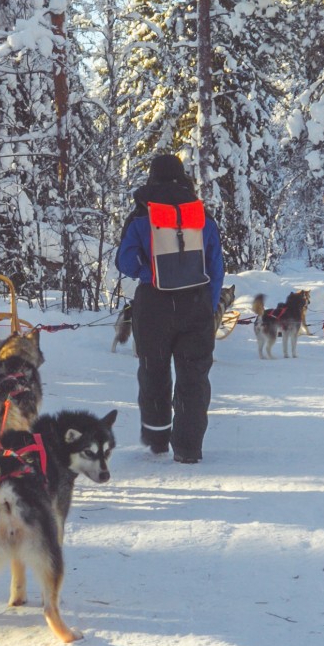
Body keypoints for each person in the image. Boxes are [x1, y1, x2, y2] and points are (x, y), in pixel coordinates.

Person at [115, 153, 224, 464]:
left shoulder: (140, 215)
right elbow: (215, 265)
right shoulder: (200, 215)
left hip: (153, 304)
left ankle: (157, 438)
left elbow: (124, 261)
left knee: (154, 371)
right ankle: (189, 448)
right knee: (194, 376)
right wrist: (209, 303)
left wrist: (148, 273)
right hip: (196, 302)